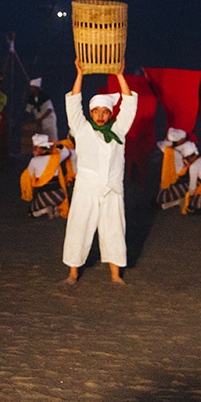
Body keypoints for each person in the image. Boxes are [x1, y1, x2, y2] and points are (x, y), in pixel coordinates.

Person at [62, 59, 137, 284]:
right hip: (87, 189)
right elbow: (73, 104)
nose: (101, 116)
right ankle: (73, 273)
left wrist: (120, 75)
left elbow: (129, 105)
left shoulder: (118, 130)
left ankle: (115, 274)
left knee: (114, 231)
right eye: (96, 111)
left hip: (112, 189)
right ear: (90, 113)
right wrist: (80, 75)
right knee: (79, 229)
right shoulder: (82, 129)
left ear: (110, 113)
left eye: (105, 111)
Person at [20, 132, 73, 218]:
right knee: (52, 199)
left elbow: (27, 176)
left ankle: (45, 209)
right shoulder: (55, 158)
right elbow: (67, 152)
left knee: (31, 212)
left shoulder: (34, 161)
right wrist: (57, 144)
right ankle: (55, 208)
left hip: (45, 194)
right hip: (60, 194)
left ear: (40, 149)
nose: (33, 150)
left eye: (35, 148)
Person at [155, 127, 189, 209]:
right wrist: (187, 166)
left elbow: (160, 143)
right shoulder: (176, 154)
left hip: (164, 185)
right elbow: (180, 172)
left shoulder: (166, 149)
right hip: (173, 185)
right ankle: (176, 201)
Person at [25, 77, 58, 142]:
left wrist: (40, 119)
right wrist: (26, 121)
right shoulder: (31, 98)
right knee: (42, 141)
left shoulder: (44, 97)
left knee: (52, 139)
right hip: (39, 124)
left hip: (49, 122)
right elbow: (28, 110)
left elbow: (49, 110)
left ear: (37, 88)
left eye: (33, 87)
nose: (31, 89)